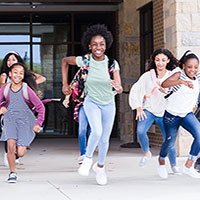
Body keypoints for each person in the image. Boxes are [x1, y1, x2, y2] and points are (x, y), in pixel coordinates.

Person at [62, 24, 123, 185]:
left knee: (104, 139)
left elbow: (120, 87)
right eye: (94, 44)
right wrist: (64, 83)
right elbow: (64, 61)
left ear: (106, 45)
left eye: (101, 44)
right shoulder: (84, 61)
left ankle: (100, 168)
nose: (98, 47)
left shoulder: (112, 64)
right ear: (89, 46)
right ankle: (88, 159)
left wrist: (118, 88)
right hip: (91, 101)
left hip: (109, 103)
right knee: (96, 131)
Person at [129, 48, 180, 174]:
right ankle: (146, 153)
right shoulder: (147, 76)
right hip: (149, 110)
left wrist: (167, 92)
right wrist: (138, 107)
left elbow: (178, 94)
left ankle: (173, 165)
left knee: (169, 140)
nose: (160, 63)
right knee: (140, 131)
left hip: (166, 112)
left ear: (168, 60)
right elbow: (137, 90)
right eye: (157, 60)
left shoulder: (172, 76)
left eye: (163, 60)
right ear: (154, 61)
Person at [157, 50, 200, 179]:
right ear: (183, 66)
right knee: (169, 143)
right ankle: (161, 161)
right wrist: (181, 82)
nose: (193, 70)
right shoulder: (179, 74)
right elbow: (165, 84)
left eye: (196, 67)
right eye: (189, 67)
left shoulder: (198, 76)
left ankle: (188, 166)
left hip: (186, 114)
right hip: (172, 116)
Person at [0, 62, 45, 183]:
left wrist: (38, 123)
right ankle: (12, 173)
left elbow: (40, 107)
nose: (18, 75)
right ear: (10, 74)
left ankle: (14, 157)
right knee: (10, 147)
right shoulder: (4, 89)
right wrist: (1, 108)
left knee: (20, 152)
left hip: (26, 121)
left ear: (23, 75)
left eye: (21, 73)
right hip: (10, 120)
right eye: (15, 72)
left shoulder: (27, 89)